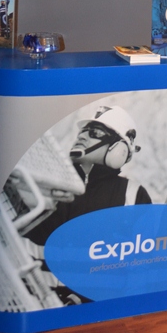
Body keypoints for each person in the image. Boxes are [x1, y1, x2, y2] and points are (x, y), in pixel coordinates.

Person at [25, 105, 151, 247]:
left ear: (119, 149)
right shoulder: (47, 183)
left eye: (95, 132)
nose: (82, 136)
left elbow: (145, 253)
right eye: (82, 131)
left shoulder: (134, 195)